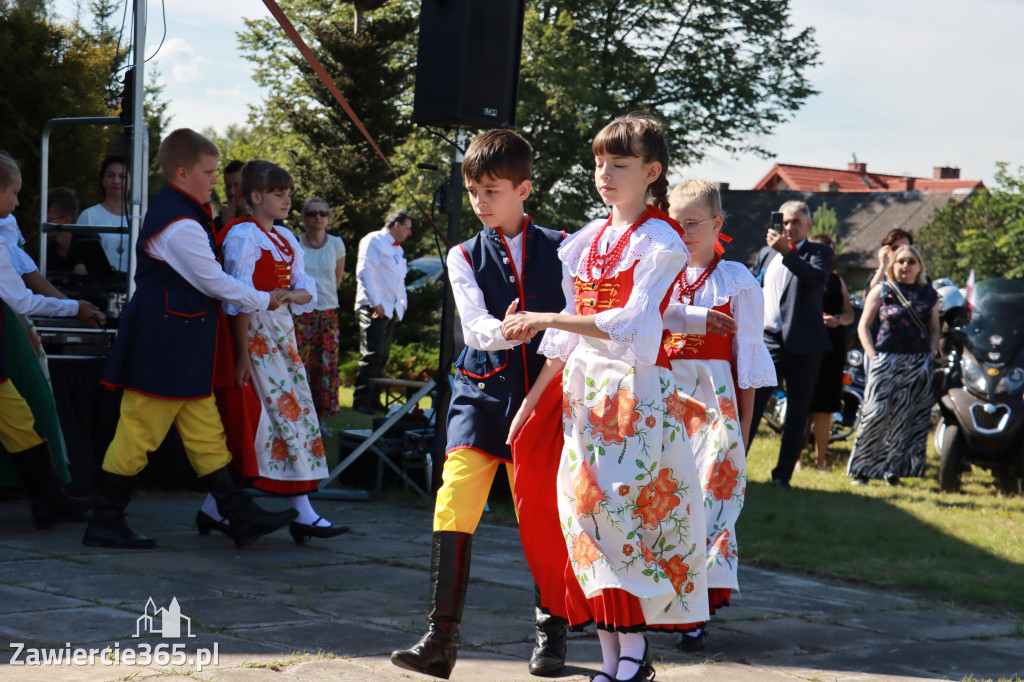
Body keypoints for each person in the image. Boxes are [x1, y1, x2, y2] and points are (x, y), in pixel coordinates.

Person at [504, 113, 709, 682]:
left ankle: (636, 654)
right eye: (599, 162)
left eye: (619, 164)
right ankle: (613, 659)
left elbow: (630, 320)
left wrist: (545, 314)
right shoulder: (586, 240)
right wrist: (533, 398)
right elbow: (567, 339)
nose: (604, 173)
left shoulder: (662, 239)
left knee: (618, 513)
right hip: (581, 395)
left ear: (652, 171)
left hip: (632, 395)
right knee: (583, 520)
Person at [390, 130, 570, 679]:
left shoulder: (567, 245)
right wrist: (513, 328)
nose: (481, 201)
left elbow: (576, 327)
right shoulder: (462, 253)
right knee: (455, 501)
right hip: (479, 395)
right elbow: (474, 327)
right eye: (473, 190)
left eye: (492, 189)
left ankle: (553, 634)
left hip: (541, 401)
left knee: (541, 517)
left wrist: (536, 329)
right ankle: (440, 640)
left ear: (524, 188)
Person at [83, 129, 298, 550]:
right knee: (138, 432)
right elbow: (214, 280)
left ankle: (239, 516)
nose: (216, 179)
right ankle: (105, 521)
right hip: (164, 345)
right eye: (209, 172)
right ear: (182, 172)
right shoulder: (179, 222)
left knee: (205, 432)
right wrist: (265, 299)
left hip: (179, 345)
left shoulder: (185, 209)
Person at [202, 161, 347, 544]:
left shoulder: (284, 238)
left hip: (282, 335)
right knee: (273, 419)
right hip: (255, 337)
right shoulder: (242, 236)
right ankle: (302, 511)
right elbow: (236, 299)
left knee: (291, 414)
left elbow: (308, 291)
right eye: (278, 194)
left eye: (288, 194)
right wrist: (242, 354)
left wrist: (290, 295)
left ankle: (213, 508)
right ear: (255, 197)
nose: (286, 201)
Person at [663, 180, 775, 652]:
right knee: (662, 501)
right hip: (662, 401)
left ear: (717, 224)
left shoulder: (738, 282)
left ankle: (695, 608)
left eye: (693, 222)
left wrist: (741, 433)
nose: (683, 230)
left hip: (714, 407)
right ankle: (658, 601)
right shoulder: (656, 273)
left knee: (708, 504)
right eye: (676, 221)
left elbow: (746, 367)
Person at [0, 149, 102, 528]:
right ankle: (48, 497)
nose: (19, 200)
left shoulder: (5, 232)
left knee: (17, 415)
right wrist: (74, 308)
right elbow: (20, 298)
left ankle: (48, 498)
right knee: (15, 412)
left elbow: (23, 276)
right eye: (14, 192)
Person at [748, 200, 833, 490]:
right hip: (767, 341)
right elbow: (750, 288)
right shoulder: (765, 253)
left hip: (805, 346)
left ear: (808, 225)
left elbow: (817, 280)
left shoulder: (818, 251)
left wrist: (788, 252)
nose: (789, 227)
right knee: (752, 408)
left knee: (797, 415)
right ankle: (735, 471)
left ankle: (782, 477)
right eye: (784, 222)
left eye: (796, 222)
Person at [847, 244, 939, 486]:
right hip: (886, 359)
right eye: (901, 261)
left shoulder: (929, 294)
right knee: (875, 414)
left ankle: (893, 471)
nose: (906, 266)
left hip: (918, 362)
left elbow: (935, 327)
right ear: (893, 265)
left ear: (919, 266)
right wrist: (872, 354)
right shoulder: (882, 290)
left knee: (906, 417)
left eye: (911, 261)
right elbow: (863, 325)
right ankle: (862, 470)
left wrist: (931, 352)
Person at [293, 197, 345, 432]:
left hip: (327, 312)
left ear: (328, 218)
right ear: (304, 218)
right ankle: (299, 416)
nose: (318, 217)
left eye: (322, 213)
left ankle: (321, 419)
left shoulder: (336, 244)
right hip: (302, 313)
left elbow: (336, 279)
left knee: (326, 365)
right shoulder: (295, 243)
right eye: (312, 213)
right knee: (300, 363)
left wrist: (322, 298)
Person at [352, 209, 412, 414]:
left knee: (382, 356)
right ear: (396, 225)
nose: (409, 233)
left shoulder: (398, 250)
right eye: (407, 227)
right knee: (371, 354)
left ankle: (374, 398)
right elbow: (364, 271)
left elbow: (399, 280)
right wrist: (374, 302)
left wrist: (400, 307)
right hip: (373, 306)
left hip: (388, 309)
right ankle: (361, 400)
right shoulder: (373, 240)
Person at [807, 234, 854, 471]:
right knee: (803, 403)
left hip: (833, 348)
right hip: (806, 346)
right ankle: (795, 459)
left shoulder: (837, 280)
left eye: (830, 250)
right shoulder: (803, 274)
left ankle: (821, 460)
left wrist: (837, 319)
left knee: (825, 405)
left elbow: (849, 314)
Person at [77, 153, 131, 272]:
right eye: (110, 176)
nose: (116, 181)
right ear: (102, 180)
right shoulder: (88, 216)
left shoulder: (143, 216)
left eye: (123, 176)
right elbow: (79, 261)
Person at [45, 188, 89, 274]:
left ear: (67, 220)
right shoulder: (48, 251)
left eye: (48, 219)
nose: (42, 223)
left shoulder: (89, 244)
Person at [214, 159, 247, 232]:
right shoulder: (218, 222)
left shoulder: (266, 218)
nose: (232, 192)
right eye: (228, 186)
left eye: (237, 185)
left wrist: (229, 225)